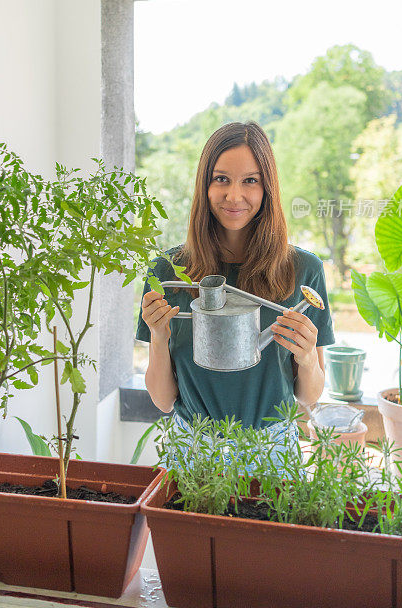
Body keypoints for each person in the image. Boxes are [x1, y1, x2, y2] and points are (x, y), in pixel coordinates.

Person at [135, 121, 335, 467]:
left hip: (273, 454)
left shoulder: (304, 271)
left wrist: (305, 359)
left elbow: (309, 396)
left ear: (267, 188)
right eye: (221, 179)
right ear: (205, 184)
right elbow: (164, 400)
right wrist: (157, 336)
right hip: (191, 450)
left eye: (250, 181)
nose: (234, 195)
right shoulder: (169, 271)